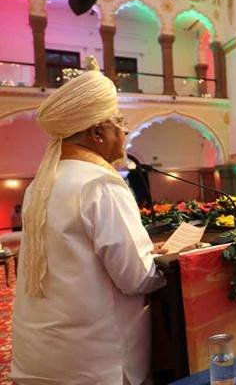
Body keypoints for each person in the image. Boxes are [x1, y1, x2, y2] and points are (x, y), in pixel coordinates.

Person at [11, 58, 173, 384]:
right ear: (97, 132)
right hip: (96, 362)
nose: (125, 131)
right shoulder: (100, 183)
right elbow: (136, 278)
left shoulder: (39, 185)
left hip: (40, 356)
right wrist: (170, 260)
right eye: (119, 122)